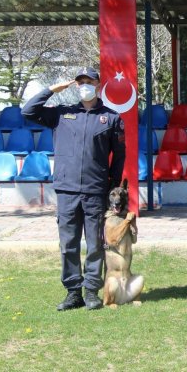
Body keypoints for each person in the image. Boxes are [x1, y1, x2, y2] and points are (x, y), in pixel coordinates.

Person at [22, 67, 126, 311]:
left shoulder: (111, 117)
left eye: (88, 81)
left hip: (95, 190)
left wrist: (112, 187)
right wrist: (51, 90)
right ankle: (73, 293)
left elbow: (119, 157)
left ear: (98, 84)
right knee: (68, 244)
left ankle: (91, 291)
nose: (84, 85)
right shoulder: (61, 114)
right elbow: (28, 111)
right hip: (67, 190)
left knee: (94, 244)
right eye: (80, 82)